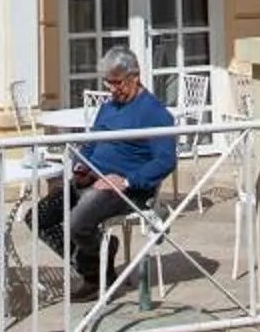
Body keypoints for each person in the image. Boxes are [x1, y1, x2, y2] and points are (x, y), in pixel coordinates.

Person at [33, 46, 176, 296]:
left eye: (117, 83)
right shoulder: (109, 107)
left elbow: (165, 161)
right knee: (40, 217)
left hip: (126, 190)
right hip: (92, 179)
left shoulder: (154, 113)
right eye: (108, 83)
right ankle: (100, 261)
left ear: (135, 77)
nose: (112, 89)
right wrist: (82, 164)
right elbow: (92, 143)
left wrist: (126, 180)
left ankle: (96, 276)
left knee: (77, 223)